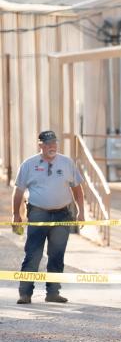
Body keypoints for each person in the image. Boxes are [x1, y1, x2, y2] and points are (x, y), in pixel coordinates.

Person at [10, 130, 85, 304]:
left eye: (54, 143)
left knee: (57, 254)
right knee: (33, 253)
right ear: (40, 145)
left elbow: (77, 189)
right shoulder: (29, 164)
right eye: (48, 143)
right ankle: (25, 293)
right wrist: (16, 214)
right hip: (38, 213)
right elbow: (19, 190)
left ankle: (53, 292)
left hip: (62, 214)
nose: (52, 146)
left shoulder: (67, 163)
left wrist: (81, 211)